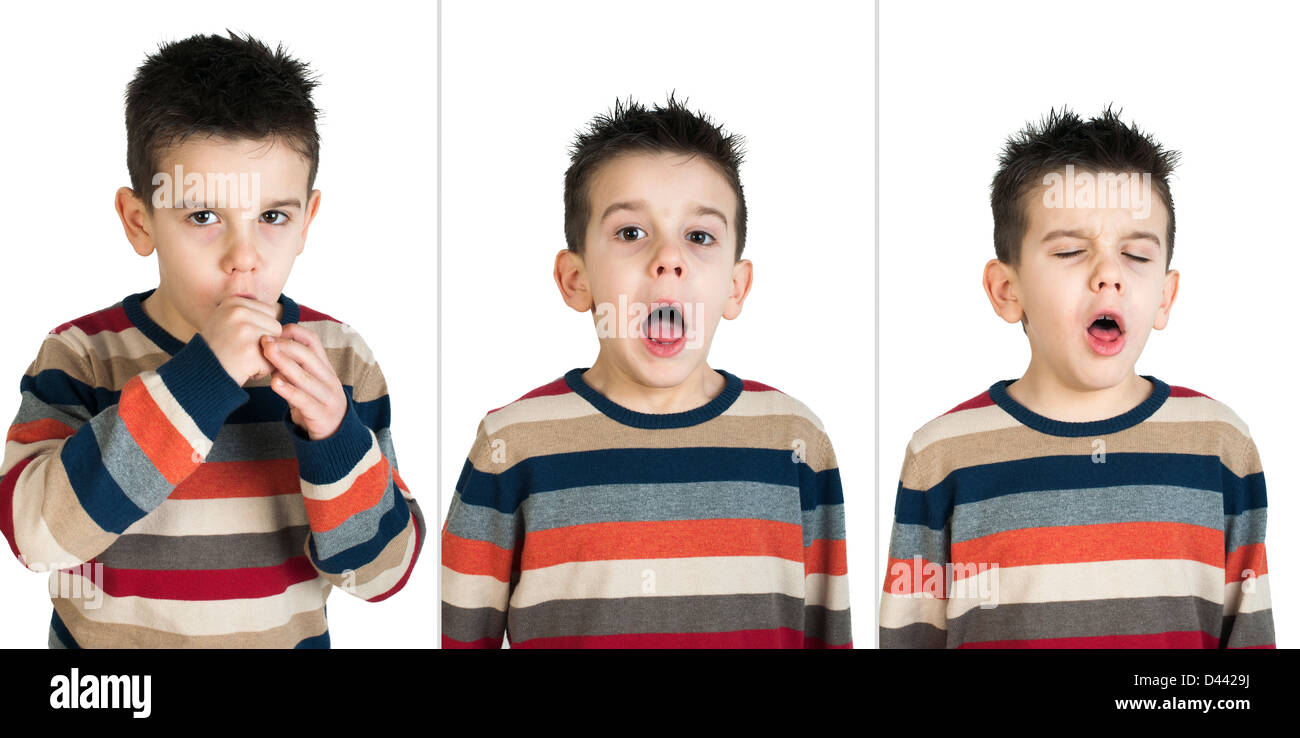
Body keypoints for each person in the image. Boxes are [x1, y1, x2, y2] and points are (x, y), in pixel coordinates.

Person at [0, 32, 424, 648]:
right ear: (140, 221)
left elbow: (380, 577)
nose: (243, 258)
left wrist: (334, 439)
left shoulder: (340, 361)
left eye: (273, 217)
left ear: (307, 220)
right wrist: (197, 385)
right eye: (203, 217)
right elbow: (35, 540)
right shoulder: (82, 356)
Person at [440, 96, 850, 648]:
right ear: (575, 279)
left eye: (699, 236)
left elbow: (829, 634)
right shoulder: (513, 447)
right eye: (631, 233)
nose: (668, 258)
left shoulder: (796, 442)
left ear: (736, 286)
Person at [879, 107, 1273, 648]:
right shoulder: (944, 457)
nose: (1108, 274)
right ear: (1005, 289)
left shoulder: (1220, 447)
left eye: (1136, 254)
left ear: (1165, 295)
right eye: (1069, 251)